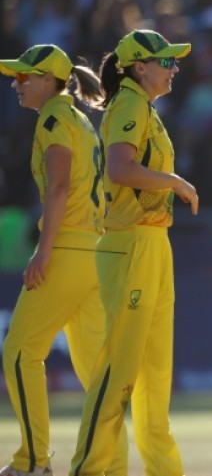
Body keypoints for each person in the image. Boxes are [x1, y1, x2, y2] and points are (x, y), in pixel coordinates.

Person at [69, 29, 197, 476]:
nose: (173, 68)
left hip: (153, 242)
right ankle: (89, 468)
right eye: (166, 62)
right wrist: (176, 182)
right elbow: (122, 169)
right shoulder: (127, 104)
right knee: (119, 371)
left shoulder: (143, 106)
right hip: (129, 245)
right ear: (139, 67)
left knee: (155, 380)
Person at [0, 45, 126, 476]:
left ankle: (32, 461)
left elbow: (58, 188)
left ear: (49, 80)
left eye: (24, 77)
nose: (17, 84)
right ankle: (109, 466)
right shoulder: (80, 121)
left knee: (19, 353)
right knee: (97, 375)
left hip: (68, 250)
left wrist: (44, 249)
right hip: (94, 252)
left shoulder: (54, 118)